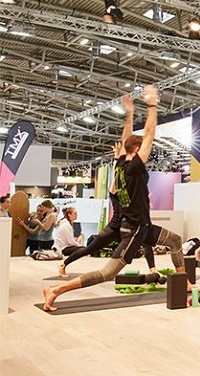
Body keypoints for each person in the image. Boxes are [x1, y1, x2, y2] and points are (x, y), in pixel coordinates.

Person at [43, 86, 190, 311]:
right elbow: (149, 135)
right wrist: (152, 105)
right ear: (138, 150)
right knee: (107, 273)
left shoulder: (121, 163)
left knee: (175, 241)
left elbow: (125, 139)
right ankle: (55, 291)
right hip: (133, 230)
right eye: (144, 149)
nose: (148, 151)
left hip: (141, 227)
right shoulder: (131, 167)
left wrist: (129, 114)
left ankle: (185, 283)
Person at [58, 141, 157, 278]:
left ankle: (153, 269)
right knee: (90, 249)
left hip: (130, 225)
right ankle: (64, 264)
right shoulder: (116, 191)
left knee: (146, 241)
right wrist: (117, 157)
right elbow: (117, 174)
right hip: (115, 227)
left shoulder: (132, 194)